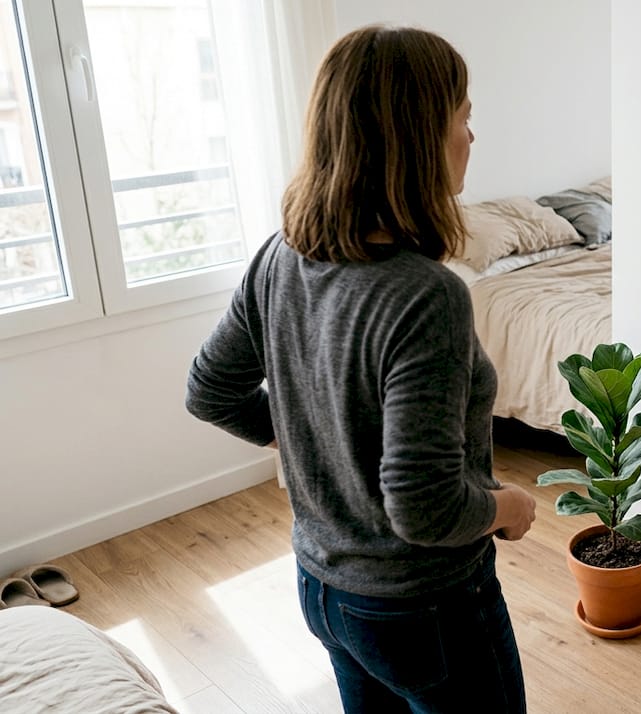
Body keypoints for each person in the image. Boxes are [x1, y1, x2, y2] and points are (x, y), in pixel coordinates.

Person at [185, 25, 537, 712]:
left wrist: (301, 435)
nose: (472, 137)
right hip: (424, 607)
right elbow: (425, 507)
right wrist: (508, 507)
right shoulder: (425, 295)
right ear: (415, 140)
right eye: (463, 119)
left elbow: (210, 390)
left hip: (324, 589)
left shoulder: (277, 257)